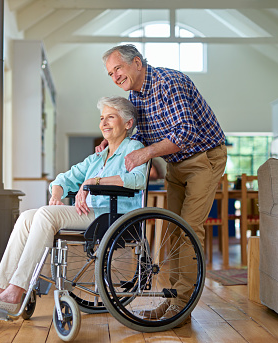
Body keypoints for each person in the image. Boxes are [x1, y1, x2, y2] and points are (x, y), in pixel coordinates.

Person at [0, 96, 148, 312]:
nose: (103, 123)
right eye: (102, 117)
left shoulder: (134, 148)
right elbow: (62, 180)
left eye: (110, 117)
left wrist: (93, 182)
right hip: (93, 214)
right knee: (28, 216)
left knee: (46, 215)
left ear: (128, 123)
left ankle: (15, 293)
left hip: (115, 215)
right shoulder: (98, 157)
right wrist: (57, 195)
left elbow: (138, 180)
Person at [100, 44, 227, 321]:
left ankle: (181, 307)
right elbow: (140, 135)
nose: (115, 77)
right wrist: (111, 141)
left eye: (117, 69)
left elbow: (185, 133)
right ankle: (172, 302)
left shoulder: (169, 82)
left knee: (188, 229)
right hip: (176, 163)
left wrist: (146, 153)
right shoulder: (135, 94)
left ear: (136, 63)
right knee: (173, 229)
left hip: (204, 157)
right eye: (110, 73)